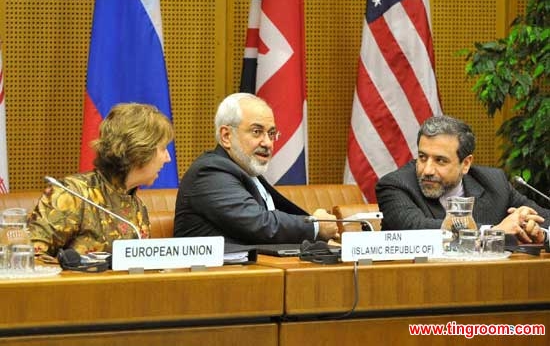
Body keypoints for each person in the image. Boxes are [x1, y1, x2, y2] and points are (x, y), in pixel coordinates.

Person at [174, 93, 339, 244]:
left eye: (271, 133)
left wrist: (320, 240)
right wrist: (315, 226)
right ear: (226, 136)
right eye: (256, 132)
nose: (267, 143)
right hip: (216, 274)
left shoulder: (246, 171)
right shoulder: (210, 173)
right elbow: (259, 223)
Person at [375, 115, 549, 244]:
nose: (427, 170)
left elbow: (544, 219)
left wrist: (533, 228)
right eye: (422, 157)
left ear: (466, 164)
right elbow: (416, 229)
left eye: (440, 160)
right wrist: (493, 233)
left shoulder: (494, 183)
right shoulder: (395, 185)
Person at [28, 103, 174, 256]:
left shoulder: (136, 205)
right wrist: (73, 268)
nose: (167, 158)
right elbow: (30, 256)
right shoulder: (72, 194)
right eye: (163, 148)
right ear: (140, 151)